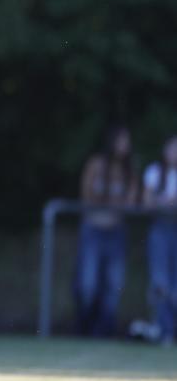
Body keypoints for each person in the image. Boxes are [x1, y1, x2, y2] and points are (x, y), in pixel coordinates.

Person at [73, 126, 138, 337]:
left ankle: (104, 330)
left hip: (116, 232)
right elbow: (87, 196)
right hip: (93, 230)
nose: (124, 146)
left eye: (127, 142)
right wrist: (109, 205)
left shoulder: (129, 170)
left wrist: (110, 206)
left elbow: (128, 202)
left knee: (114, 284)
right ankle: (83, 326)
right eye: (121, 141)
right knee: (87, 283)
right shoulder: (96, 164)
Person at [142, 136, 177, 346]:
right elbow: (147, 201)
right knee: (160, 282)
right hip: (160, 230)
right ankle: (164, 330)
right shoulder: (155, 172)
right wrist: (163, 202)